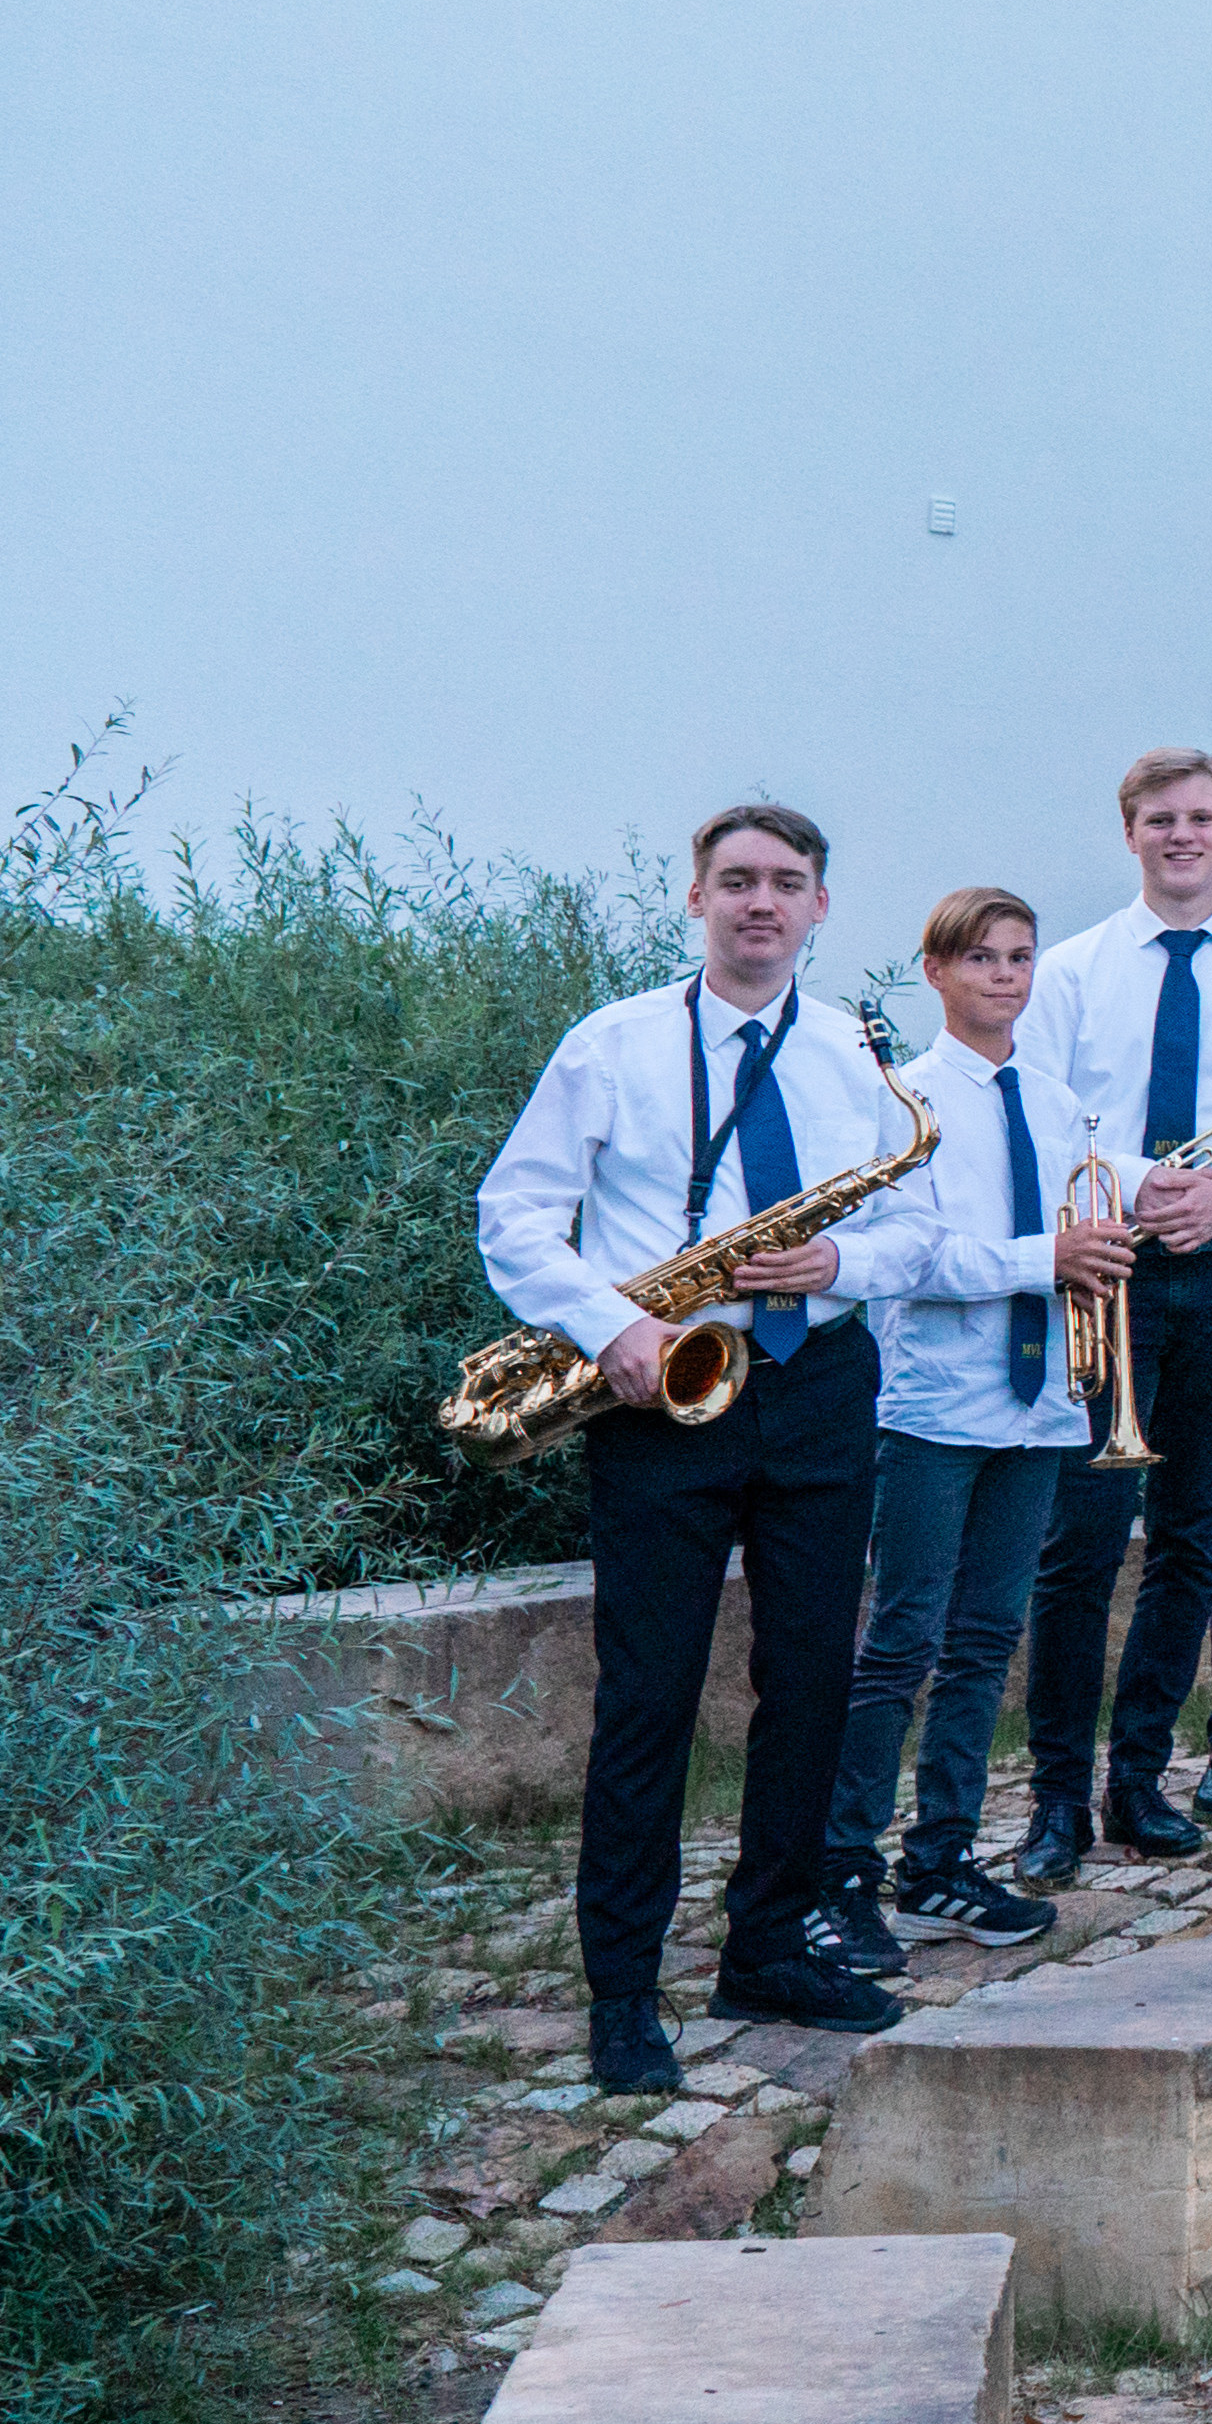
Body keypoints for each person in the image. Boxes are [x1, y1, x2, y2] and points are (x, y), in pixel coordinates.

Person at [467, 802, 930, 2089]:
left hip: (820, 1380)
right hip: (659, 1392)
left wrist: (843, 1255)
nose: (761, 904)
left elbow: (922, 1232)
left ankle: (768, 1946)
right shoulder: (611, 1044)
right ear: (695, 899)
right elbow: (514, 1218)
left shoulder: (858, 1054)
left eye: (787, 883)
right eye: (736, 882)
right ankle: (622, 1989)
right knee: (650, 1696)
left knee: (811, 1687)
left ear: (822, 907)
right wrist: (611, 1326)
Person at [824, 883, 1137, 1962]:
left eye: (1019, 957)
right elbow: (910, 1259)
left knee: (984, 1640)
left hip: (1040, 1400)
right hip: (935, 1403)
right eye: (983, 959)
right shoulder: (901, 1102)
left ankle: (942, 1861)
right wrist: (1041, 1261)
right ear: (937, 973)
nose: (1005, 976)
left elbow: (1083, 1222)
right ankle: (843, 1868)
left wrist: (1101, 1248)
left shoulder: (1055, 1104)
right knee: (900, 1636)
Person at [1016, 749, 1212, 1882]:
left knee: (1194, 1537)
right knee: (1077, 1547)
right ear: (1128, 831)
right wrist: (1143, 1184)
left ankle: (1138, 1775)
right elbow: (1041, 1113)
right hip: (1111, 1268)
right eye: (1158, 819)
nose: (1181, 835)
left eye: (1200, 817)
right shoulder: (1076, 970)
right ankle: (1053, 1797)